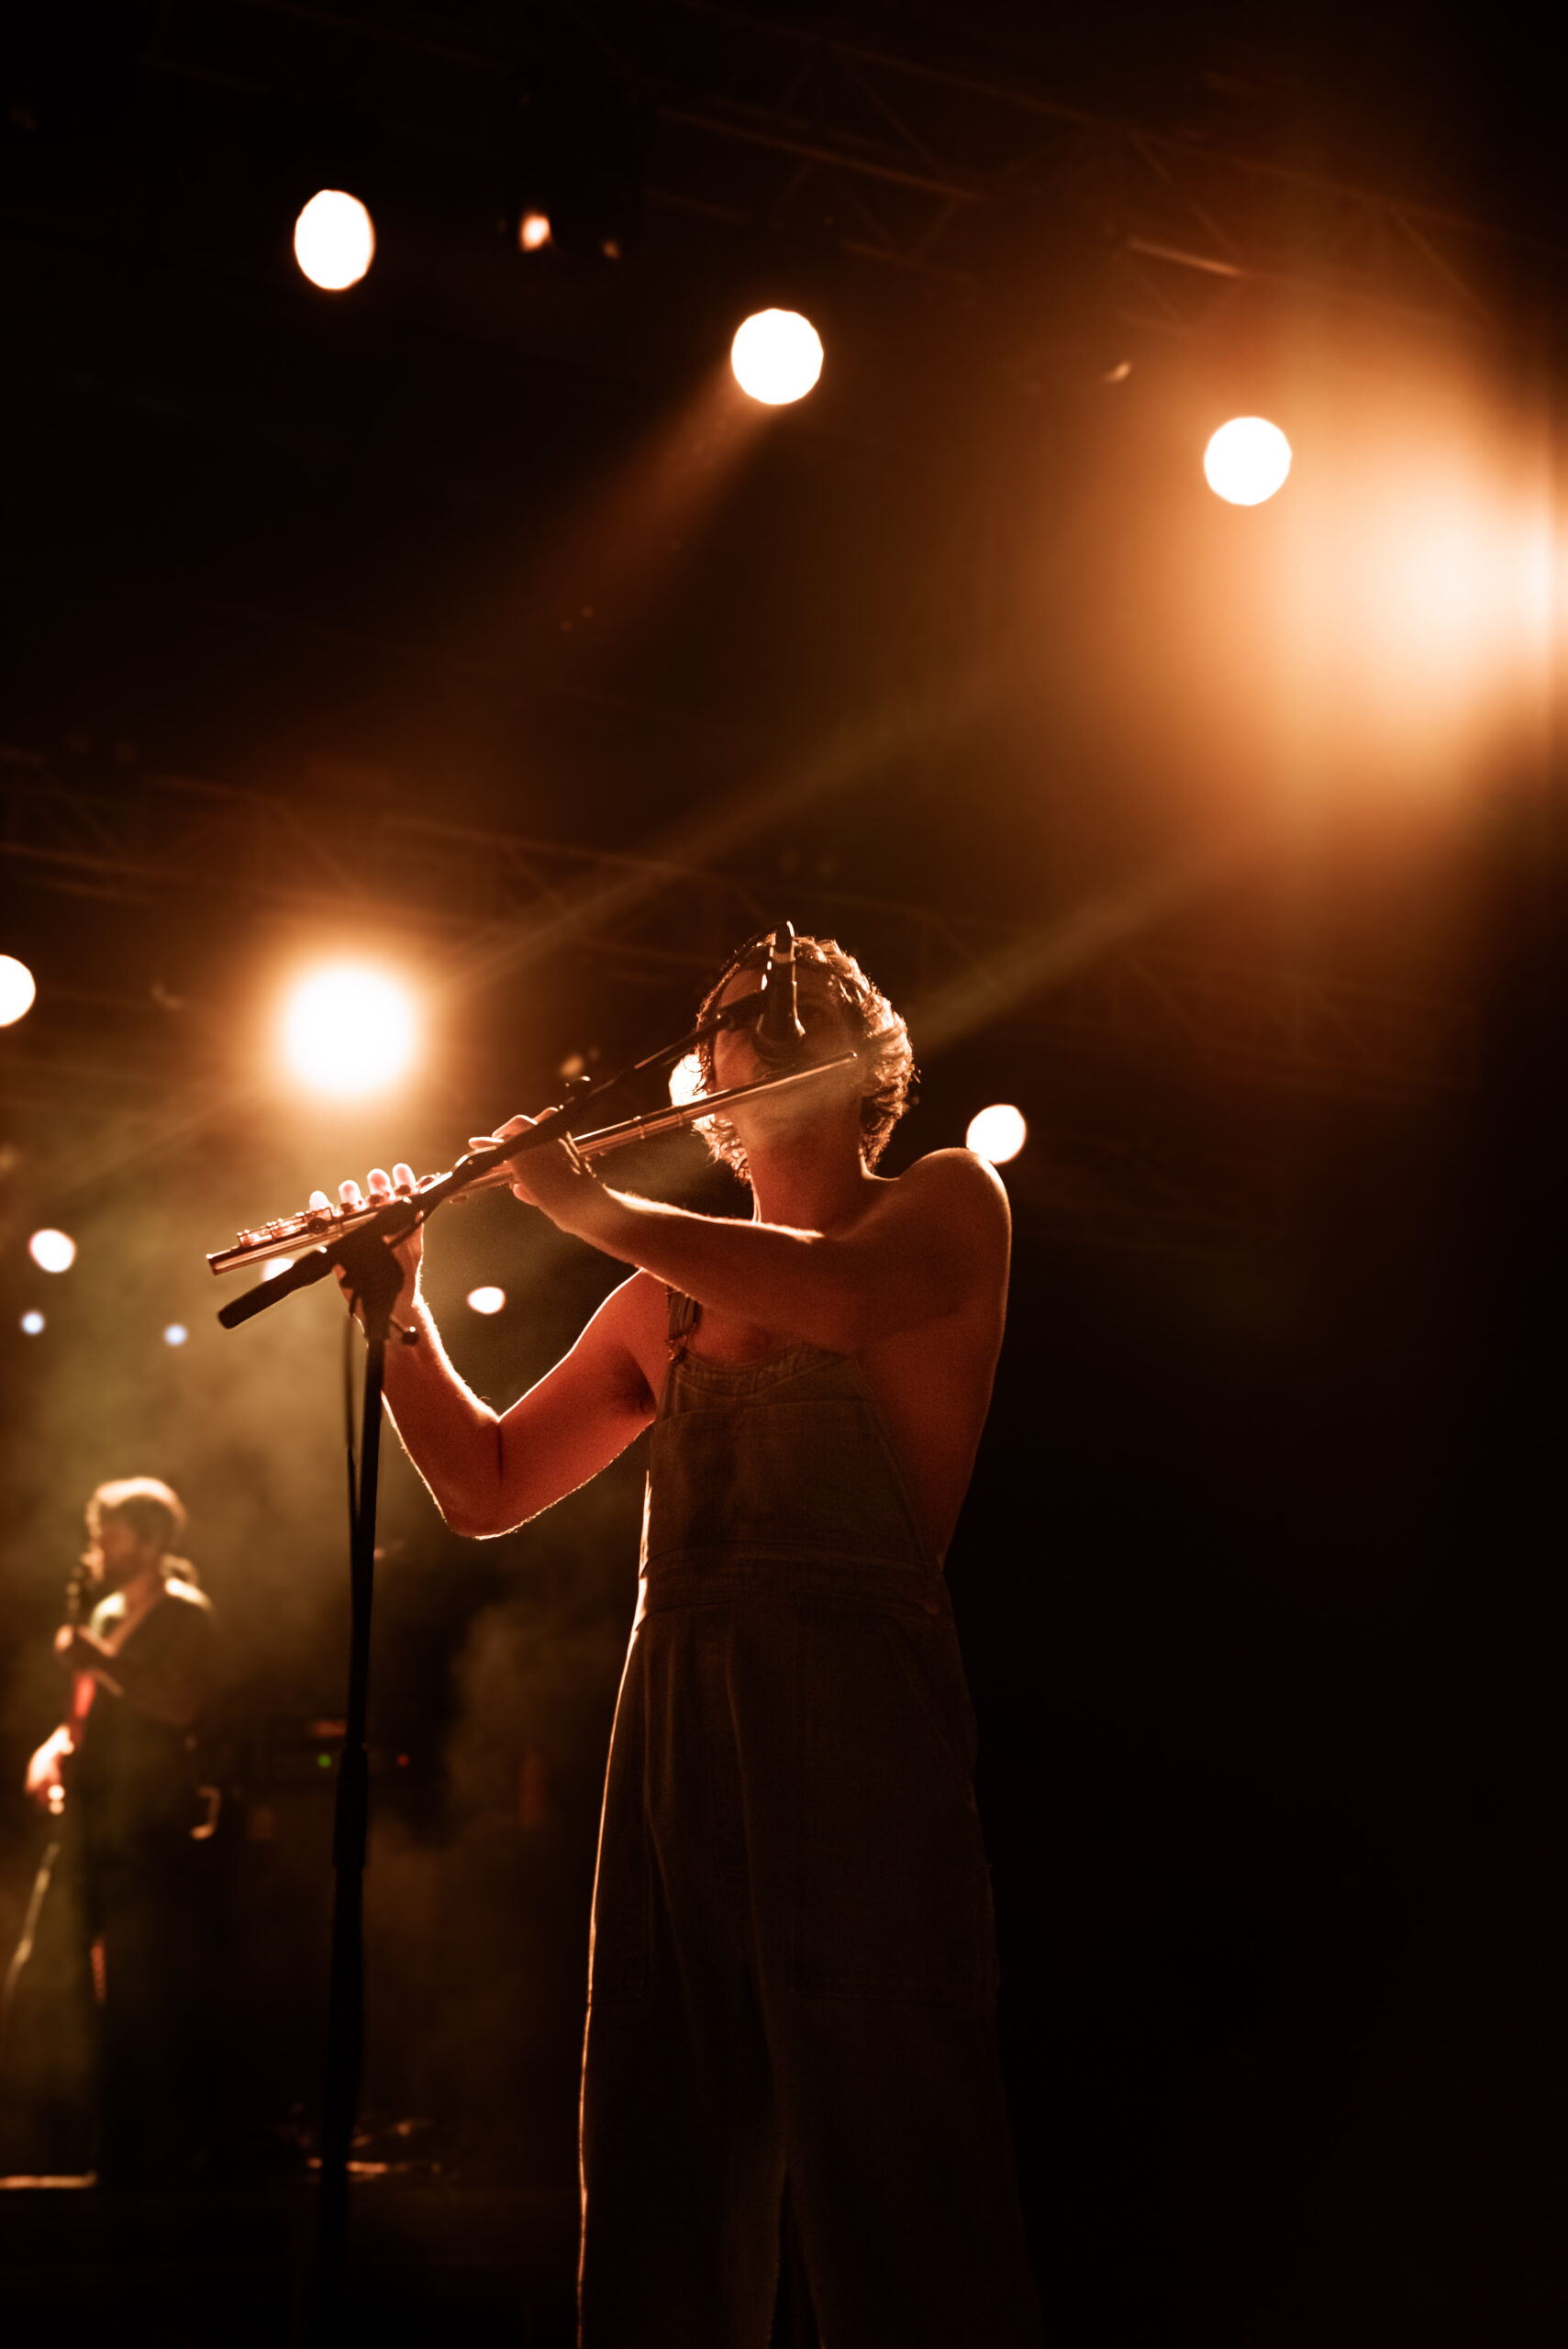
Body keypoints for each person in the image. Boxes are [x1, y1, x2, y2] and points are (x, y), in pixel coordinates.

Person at [335, 933, 1041, 2346]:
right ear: (703, 1079)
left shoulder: (948, 1201)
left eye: (807, 1008)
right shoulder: (658, 1301)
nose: (769, 1024)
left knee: (895, 2152)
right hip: (675, 1741)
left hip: (858, 1733)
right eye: (732, 1019)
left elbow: (832, 1298)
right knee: (662, 2150)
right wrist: (398, 1310)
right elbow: (483, 1487)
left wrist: (584, 1202)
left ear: (866, 1060)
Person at [14, 1478, 217, 2184]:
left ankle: (140, 2159)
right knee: (53, 1970)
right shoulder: (104, 1613)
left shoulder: (185, 1616)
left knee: (135, 1984)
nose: (98, 1545)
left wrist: (97, 1660)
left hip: (148, 1820)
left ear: (152, 1540)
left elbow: (179, 1702)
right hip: (96, 1816)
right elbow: (87, 1711)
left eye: (112, 1533)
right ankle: (67, 2144)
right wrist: (54, 1748)